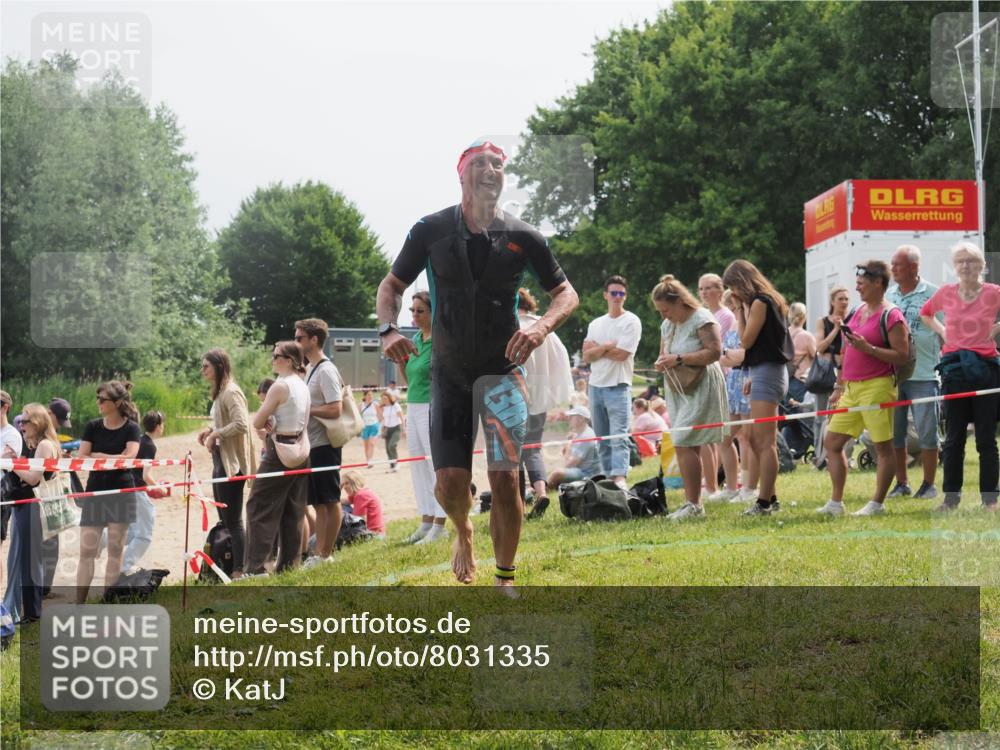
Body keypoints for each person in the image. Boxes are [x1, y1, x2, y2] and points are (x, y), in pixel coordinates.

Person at [376, 138, 578, 586]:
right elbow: (391, 285)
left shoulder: (525, 236)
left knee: (506, 479)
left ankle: (505, 578)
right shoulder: (430, 230)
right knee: (448, 484)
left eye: (498, 164)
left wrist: (541, 327)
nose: (490, 169)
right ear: (462, 174)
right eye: (480, 163)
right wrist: (389, 330)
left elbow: (566, 294)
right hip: (448, 375)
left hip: (502, 373)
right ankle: (463, 529)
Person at [818, 260, 909, 517]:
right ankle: (836, 503)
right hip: (852, 388)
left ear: (878, 283)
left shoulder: (892, 315)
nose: (857, 289)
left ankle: (877, 504)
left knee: (882, 448)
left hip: (878, 387)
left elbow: (901, 355)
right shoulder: (858, 311)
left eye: (861, 284)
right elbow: (847, 348)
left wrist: (869, 349)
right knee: (832, 442)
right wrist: (839, 385)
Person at [921, 242, 1000, 510]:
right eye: (960, 261)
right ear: (955, 267)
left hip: (985, 367)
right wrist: (942, 330)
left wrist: (998, 326)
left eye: (971, 261)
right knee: (954, 438)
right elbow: (926, 314)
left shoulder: (993, 292)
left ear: (982, 265)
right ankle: (951, 498)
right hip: (955, 368)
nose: (966, 265)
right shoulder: (946, 293)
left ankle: (990, 500)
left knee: (986, 439)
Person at [652, 274, 728, 520]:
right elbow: (665, 353)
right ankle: (692, 503)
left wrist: (680, 359)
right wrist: (663, 362)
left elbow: (715, 352)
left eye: (666, 310)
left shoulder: (702, 318)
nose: (664, 315)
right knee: (686, 441)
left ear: (679, 302)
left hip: (701, 384)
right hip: (678, 388)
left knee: (684, 439)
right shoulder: (667, 325)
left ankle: (694, 504)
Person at [722, 260, 793, 516]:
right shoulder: (763, 302)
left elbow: (746, 340)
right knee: (754, 438)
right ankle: (769, 496)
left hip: (769, 372)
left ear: (741, 282)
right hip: (762, 371)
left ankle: (764, 502)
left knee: (765, 442)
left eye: (732, 287)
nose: (733, 293)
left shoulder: (762, 302)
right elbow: (751, 342)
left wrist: (740, 310)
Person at [244, 341, 311, 576]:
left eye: (277, 355)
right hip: (301, 449)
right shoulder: (302, 385)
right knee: (293, 509)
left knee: (258, 506)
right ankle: (289, 565)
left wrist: (269, 427)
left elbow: (257, 422)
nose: (273, 359)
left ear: (289, 360)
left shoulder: (280, 386)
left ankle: (257, 567)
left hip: (279, 450)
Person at [76, 381, 142, 603]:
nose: (98, 403)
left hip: (121, 492)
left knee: (115, 551)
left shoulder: (131, 427)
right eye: (98, 398)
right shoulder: (92, 426)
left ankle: (108, 602)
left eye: (102, 399)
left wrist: (98, 455)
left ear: (117, 403)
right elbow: (81, 458)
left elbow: (130, 459)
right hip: (95, 492)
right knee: (86, 552)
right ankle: (79, 604)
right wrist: (112, 458)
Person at [886, 244, 941, 500]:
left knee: (928, 432)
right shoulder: (889, 296)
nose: (893, 268)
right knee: (895, 433)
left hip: (925, 375)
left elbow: (945, 332)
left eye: (897, 264)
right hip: (896, 376)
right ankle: (902, 483)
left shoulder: (933, 293)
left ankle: (929, 484)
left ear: (913, 267)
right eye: (893, 264)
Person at [198, 349, 256, 580]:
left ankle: (240, 569)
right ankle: (229, 563)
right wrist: (210, 431)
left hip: (232, 463)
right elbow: (226, 422)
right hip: (220, 459)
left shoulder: (232, 392)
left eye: (206, 366)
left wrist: (216, 434)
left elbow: (242, 424)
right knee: (224, 518)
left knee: (233, 519)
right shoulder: (221, 392)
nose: (202, 371)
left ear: (219, 366)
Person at [517, 287, 573, 517]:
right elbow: (561, 358)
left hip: (515, 395)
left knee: (512, 453)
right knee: (532, 448)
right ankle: (541, 492)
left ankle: (518, 502)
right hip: (539, 395)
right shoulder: (543, 325)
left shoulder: (513, 325)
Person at [584, 275, 642, 491]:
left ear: (625, 296)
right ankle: (608, 477)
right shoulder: (596, 323)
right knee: (602, 437)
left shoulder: (632, 321)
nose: (618, 297)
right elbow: (587, 356)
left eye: (621, 293)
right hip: (595, 386)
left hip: (618, 385)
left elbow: (622, 355)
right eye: (614, 293)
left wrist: (598, 349)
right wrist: (607, 346)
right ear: (605, 295)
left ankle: (620, 477)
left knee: (619, 436)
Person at [295, 318, 345, 568]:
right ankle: (319, 552)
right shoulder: (310, 368)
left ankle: (326, 553)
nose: (297, 342)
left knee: (331, 500)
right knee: (319, 502)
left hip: (326, 443)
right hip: (312, 444)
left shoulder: (326, 369)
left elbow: (336, 408)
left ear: (314, 340)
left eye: (300, 338)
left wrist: (307, 410)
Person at [2, 404, 59, 624]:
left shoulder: (45, 445)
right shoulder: (38, 444)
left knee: (30, 559)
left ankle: (33, 613)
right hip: (27, 505)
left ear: (37, 422)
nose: (21, 426)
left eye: (24, 422)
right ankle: (21, 609)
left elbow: (34, 478)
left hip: (34, 505)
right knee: (23, 558)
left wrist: (12, 462)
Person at [399, 291, 448, 544]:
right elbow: (411, 379)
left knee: (434, 466)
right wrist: (399, 361)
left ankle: (441, 523)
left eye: (420, 310)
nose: (415, 315)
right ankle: (426, 520)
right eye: (412, 310)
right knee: (418, 466)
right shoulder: (415, 340)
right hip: (413, 406)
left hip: (432, 407)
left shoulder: (440, 340)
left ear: (432, 312)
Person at [698, 273, 736, 500]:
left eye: (709, 288)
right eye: (701, 288)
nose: (704, 292)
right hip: (709, 377)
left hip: (723, 378)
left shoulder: (724, 316)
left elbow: (712, 348)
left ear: (720, 291)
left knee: (721, 437)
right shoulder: (706, 315)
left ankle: (721, 486)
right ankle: (711, 485)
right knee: (710, 437)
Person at [719, 290, 754, 503]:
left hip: (748, 378)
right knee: (725, 436)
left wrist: (733, 357)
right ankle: (732, 486)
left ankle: (749, 487)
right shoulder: (733, 324)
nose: (733, 311)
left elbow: (746, 355)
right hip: (732, 382)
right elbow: (724, 358)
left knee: (748, 437)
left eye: (734, 307)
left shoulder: (751, 321)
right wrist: (733, 357)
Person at [120, 410, 166, 574]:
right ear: (158, 426)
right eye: (163, 424)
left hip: (127, 489)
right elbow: (146, 475)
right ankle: (126, 566)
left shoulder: (139, 440)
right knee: (144, 534)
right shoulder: (149, 445)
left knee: (132, 531)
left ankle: (102, 541)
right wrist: (159, 487)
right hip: (136, 490)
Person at [814, 286, 850, 467]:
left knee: (843, 416)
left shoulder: (852, 319)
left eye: (846, 299)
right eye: (840, 299)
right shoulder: (823, 321)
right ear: (832, 302)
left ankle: (842, 455)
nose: (844, 302)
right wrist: (836, 329)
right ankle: (819, 457)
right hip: (826, 374)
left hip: (846, 374)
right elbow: (819, 348)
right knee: (822, 416)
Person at [547, 406, 602, 486]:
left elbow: (572, 463)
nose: (569, 419)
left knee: (557, 473)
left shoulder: (586, 436)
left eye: (572, 417)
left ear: (581, 419)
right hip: (583, 470)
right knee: (556, 473)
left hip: (587, 474)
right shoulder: (582, 433)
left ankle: (541, 491)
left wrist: (569, 443)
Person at [787, 302, 818, 404]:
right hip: (801, 379)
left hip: (785, 379)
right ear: (804, 316)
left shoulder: (784, 334)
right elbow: (816, 357)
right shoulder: (807, 336)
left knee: (787, 414)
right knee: (801, 414)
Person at [341, 470, 385, 538]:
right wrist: (338, 489)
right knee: (342, 507)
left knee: (343, 512)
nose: (344, 487)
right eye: (343, 484)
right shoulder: (362, 492)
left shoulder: (361, 495)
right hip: (378, 533)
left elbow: (359, 521)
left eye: (347, 483)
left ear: (355, 483)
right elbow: (340, 501)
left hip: (374, 535)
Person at [377, 392, 404, 472]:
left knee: (391, 446)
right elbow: (382, 420)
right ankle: (392, 465)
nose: (384, 400)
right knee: (387, 449)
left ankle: (397, 463)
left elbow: (401, 417)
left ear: (389, 398)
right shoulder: (383, 407)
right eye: (383, 399)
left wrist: (403, 428)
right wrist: (381, 431)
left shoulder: (395, 405)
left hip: (396, 428)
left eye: (385, 398)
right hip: (387, 429)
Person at [359, 390, 380, 468]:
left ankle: (371, 460)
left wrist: (381, 425)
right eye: (368, 395)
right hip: (365, 427)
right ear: (364, 396)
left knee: (372, 443)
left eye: (371, 395)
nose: (370, 396)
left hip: (374, 425)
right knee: (366, 445)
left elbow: (380, 415)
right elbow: (358, 416)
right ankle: (368, 460)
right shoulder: (361, 405)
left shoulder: (375, 405)